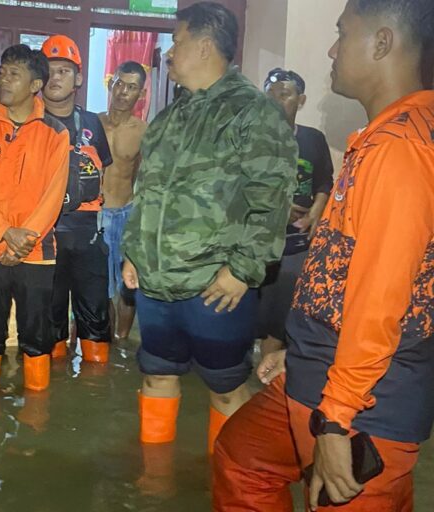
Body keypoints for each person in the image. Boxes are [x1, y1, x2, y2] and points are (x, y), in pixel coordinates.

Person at [213, 1, 434, 510]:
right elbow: (347, 269)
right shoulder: (383, 137)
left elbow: (381, 299)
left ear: (382, 43)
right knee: (243, 458)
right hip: (320, 369)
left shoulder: (400, 150)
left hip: (363, 404)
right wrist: (301, 350)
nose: (332, 50)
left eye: (343, 33)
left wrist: (336, 419)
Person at [120, 1, 297, 455]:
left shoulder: (253, 113)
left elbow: (271, 199)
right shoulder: (170, 117)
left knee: (226, 386)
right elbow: (147, 192)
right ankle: (155, 482)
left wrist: (242, 270)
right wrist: (133, 251)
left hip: (215, 287)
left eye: (176, 42)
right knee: (156, 375)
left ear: (203, 45)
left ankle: (229, 482)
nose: (168, 52)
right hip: (156, 283)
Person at [0, 44, 69, 392]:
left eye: (14, 74)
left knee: (37, 335)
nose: (3, 79)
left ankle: (37, 414)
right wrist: (6, 232)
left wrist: (23, 241)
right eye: (2, 72)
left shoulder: (56, 133)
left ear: (35, 85)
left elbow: (54, 196)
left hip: (35, 252)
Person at [41, 34, 114, 363]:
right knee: (50, 325)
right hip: (45, 237)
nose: (55, 78)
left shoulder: (92, 123)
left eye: (64, 71)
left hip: (87, 236)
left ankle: (95, 384)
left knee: (96, 323)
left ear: (78, 79)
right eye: (49, 71)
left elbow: (103, 173)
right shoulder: (30, 123)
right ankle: (55, 382)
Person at [257, 68, 334, 371]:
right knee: (253, 315)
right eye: (270, 95)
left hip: (298, 245)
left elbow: (325, 181)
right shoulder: (251, 139)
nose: (276, 101)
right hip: (257, 243)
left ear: (300, 100)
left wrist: (316, 210)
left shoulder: (313, 139)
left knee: (281, 319)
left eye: (285, 95)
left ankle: (264, 380)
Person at [99, 61, 148, 342]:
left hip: (127, 213)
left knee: (128, 287)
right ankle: (105, 345)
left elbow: (142, 175)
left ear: (140, 94)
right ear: (110, 84)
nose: (123, 92)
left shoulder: (143, 131)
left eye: (131, 87)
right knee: (102, 288)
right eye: (119, 84)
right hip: (98, 214)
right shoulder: (93, 123)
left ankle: (122, 342)